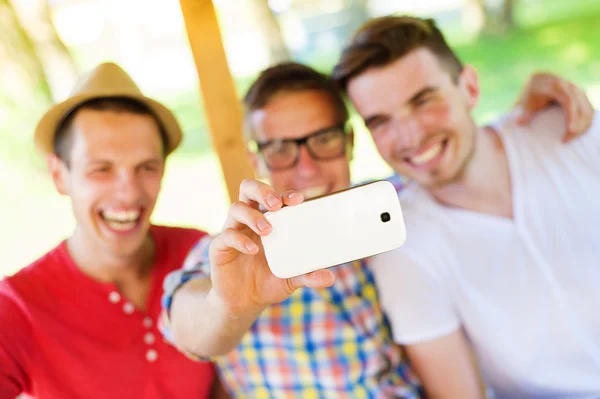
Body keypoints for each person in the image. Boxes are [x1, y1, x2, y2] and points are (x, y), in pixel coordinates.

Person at [159, 59, 595, 397]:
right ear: (257, 161)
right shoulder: (237, 252)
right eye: (280, 150)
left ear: (350, 143)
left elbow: (457, 153)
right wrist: (230, 306)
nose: (307, 168)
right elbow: (190, 326)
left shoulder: (397, 204)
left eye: (324, 139)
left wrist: (529, 99)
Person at [331, 15, 600, 398]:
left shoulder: (569, 129)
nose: (410, 136)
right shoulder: (406, 248)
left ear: (470, 88)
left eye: (423, 101)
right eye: (381, 121)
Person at [0, 62, 226, 398]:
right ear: (60, 175)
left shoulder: (196, 251)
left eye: (146, 167)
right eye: (101, 169)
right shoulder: (17, 307)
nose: (129, 193)